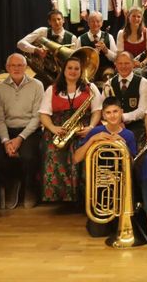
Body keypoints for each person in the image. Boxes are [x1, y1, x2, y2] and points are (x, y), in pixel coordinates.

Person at [38, 56, 103, 203]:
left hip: (84, 128)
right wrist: (53, 128)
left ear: (81, 71)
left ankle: (84, 197)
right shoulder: (52, 89)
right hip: (60, 130)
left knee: (88, 153)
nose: (73, 71)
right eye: (70, 68)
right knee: (52, 152)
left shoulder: (90, 88)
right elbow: (43, 114)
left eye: (76, 69)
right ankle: (62, 197)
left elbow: (97, 111)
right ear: (64, 70)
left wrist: (91, 128)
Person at [72, 97, 137, 237]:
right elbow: (76, 158)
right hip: (99, 188)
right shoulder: (96, 131)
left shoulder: (129, 135)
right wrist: (92, 140)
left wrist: (123, 146)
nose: (112, 115)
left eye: (115, 111)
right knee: (96, 233)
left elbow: (132, 165)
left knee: (119, 230)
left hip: (121, 188)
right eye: (108, 112)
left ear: (121, 112)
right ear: (103, 115)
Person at [0, 54, 44, 210]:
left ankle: (30, 188)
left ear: (26, 67)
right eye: (13, 65)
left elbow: (37, 117)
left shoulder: (37, 85)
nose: (16, 68)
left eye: (20, 65)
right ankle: (11, 184)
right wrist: (6, 141)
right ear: (7, 68)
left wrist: (20, 138)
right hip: (6, 131)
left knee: (28, 156)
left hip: (29, 131)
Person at [103, 51, 147, 151]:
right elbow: (103, 109)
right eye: (120, 63)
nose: (123, 66)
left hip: (136, 128)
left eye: (127, 63)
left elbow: (142, 111)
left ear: (133, 64)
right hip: (113, 127)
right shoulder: (109, 83)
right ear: (115, 64)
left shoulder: (143, 82)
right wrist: (115, 122)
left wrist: (122, 117)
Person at [17, 9, 76, 87]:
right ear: (49, 22)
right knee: (33, 87)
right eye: (54, 20)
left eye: (59, 19)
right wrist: (36, 50)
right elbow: (20, 43)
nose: (57, 22)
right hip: (45, 73)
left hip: (65, 76)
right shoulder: (42, 32)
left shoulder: (72, 38)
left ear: (63, 20)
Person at [74, 11, 118, 84]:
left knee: (108, 78)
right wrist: (90, 55)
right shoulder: (80, 39)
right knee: (86, 82)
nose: (95, 24)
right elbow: (76, 59)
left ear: (102, 23)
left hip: (106, 68)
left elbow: (115, 58)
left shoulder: (109, 37)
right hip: (88, 69)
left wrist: (106, 50)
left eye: (98, 21)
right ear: (88, 23)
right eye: (92, 21)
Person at [115, 6, 147, 76]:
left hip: (143, 66)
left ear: (141, 19)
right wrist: (130, 64)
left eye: (138, 17)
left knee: (137, 73)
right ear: (128, 18)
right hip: (126, 64)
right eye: (133, 16)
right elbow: (120, 55)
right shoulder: (121, 33)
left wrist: (141, 64)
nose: (136, 19)